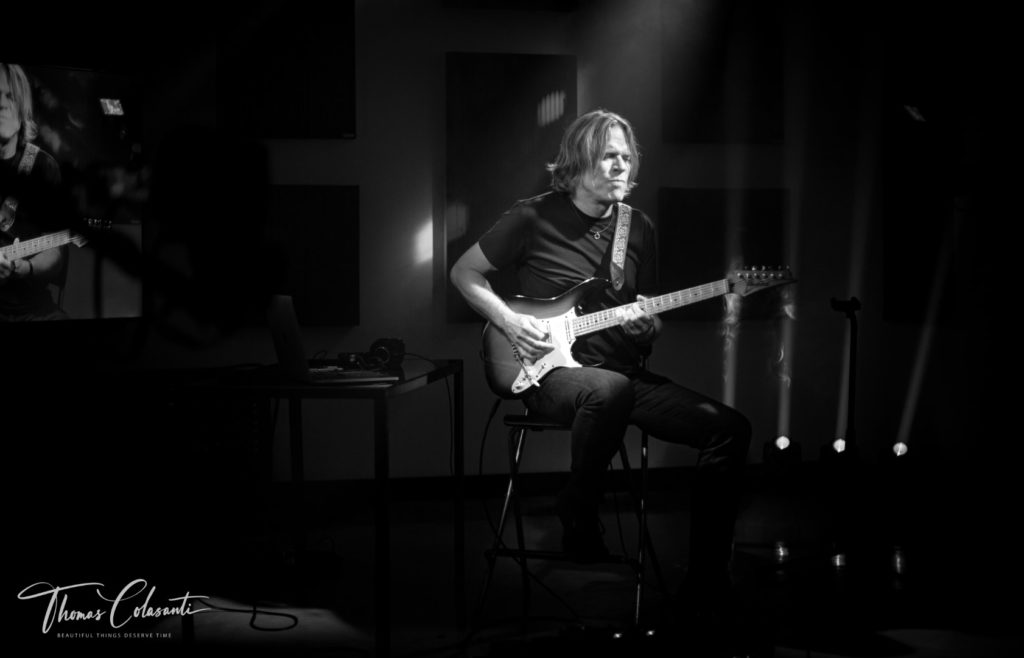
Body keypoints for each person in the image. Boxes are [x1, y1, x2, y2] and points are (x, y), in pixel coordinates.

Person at [450, 109, 751, 615]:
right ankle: (580, 510)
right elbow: (464, 272)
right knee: (608, 390)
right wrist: (509, 321)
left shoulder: (638, 227)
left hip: (624, 374)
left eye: (626, 157)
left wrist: (646, 326)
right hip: (548, 374)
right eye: (608, 156)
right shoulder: (531, 217)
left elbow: (648, 313)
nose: (620, 166)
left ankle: (707, 580)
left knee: (729, 429)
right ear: (578, 160)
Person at [0, 62, 68, 321]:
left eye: (10, 96)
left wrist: (23, 267)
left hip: (28, 309)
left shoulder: (42, 167)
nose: (2, 105)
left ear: (23, 107)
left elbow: (55, 253)